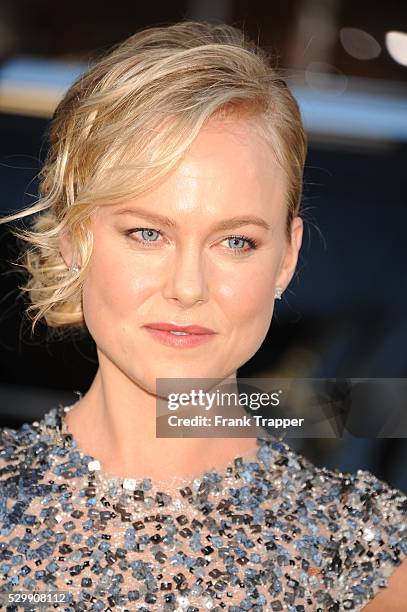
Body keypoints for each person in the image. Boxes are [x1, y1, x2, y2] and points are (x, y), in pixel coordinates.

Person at [0, 20, 405, 611]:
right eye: (147, 232)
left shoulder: (367, 563)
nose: (188, 287)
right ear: (72, 238)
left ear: (287, 258)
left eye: (235, 241)